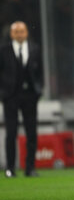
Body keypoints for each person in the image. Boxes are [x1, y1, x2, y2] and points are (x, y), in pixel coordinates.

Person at [0, 21, 43, 177]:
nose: (19, 34)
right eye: (16, 31)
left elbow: (40, 71)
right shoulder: (3, 50)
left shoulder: (35, 48)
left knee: (31, 132)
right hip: (10, 96)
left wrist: (39, 90)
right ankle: (10, 168)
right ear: (11, 34)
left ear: (26, 33)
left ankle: (30, 168)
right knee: (11, 132)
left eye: (22, 31)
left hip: (30, 95)